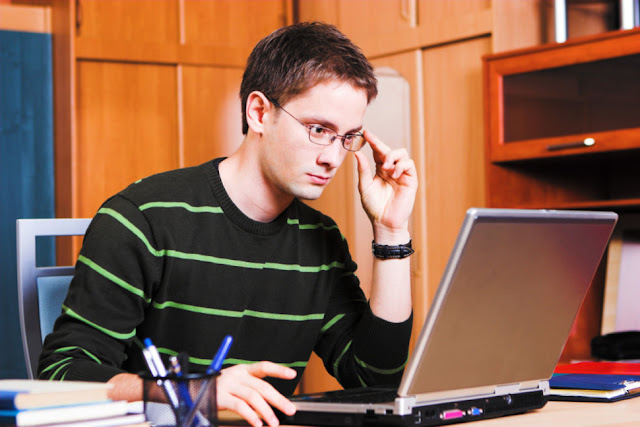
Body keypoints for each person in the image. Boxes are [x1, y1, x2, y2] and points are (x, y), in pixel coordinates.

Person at [39, 22, 418, 427]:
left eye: (347, 137)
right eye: (318, 130)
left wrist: (391, 233)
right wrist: (194, 391)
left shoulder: (321, 241)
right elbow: (62, 376)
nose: (333, 157)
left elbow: (374, 380)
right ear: (259, 113)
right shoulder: (141, 218)